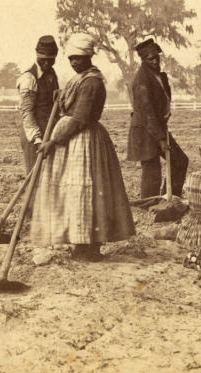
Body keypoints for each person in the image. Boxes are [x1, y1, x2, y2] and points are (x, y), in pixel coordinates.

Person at [31, 34, 135, 261]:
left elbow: (79, 119)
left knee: (85, 191)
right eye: (71, 59)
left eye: (79, 58)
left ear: (88, 56)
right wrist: (61, 98)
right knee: (74, 192)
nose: (74, 63)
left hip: (83, 140)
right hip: (72, 139)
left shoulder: (92, 82)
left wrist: (53, 141)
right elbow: (71, 108)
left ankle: (89, 246)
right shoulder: (80, 79)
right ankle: (79, 242)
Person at [127, 37, 188, 198]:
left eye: (157, 57)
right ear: (143, 60)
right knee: (152, 169)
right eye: (150, 59)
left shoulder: (160, 76)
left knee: (180, 160)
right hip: (145, 130)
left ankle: (171, 197)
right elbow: (147, 113)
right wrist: (161, 139)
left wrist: (162, 131)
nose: (155, 61)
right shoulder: (141, 80)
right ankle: (148, 203)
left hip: (158, 127)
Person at [15, 35, 60, 173]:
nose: (47, 64)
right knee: (35, 174)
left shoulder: (51, 74)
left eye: (50, 60)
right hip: (34, 135)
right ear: (37, 56)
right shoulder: (29, 78)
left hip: (49, 133)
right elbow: (27, 113)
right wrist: (37, 139)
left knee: (49, 176)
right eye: (43, 60)